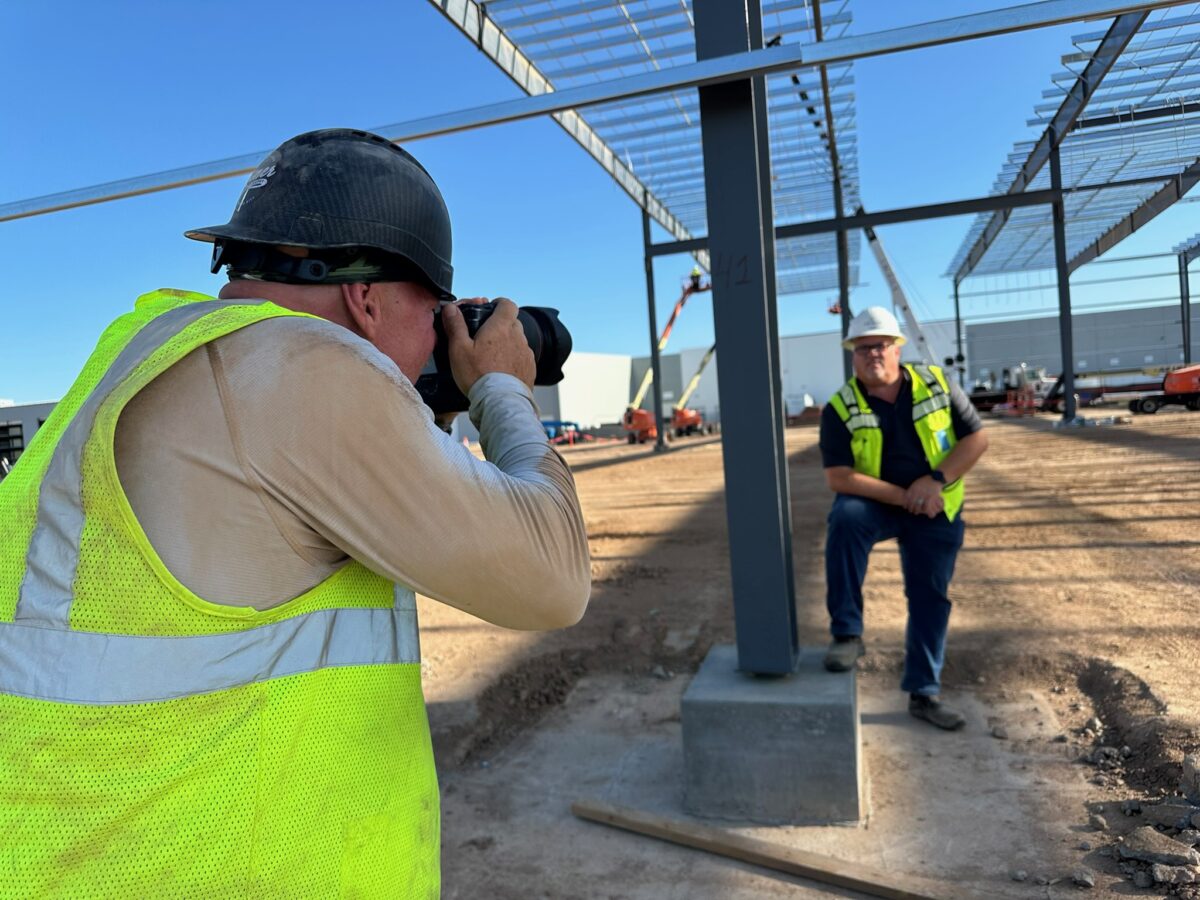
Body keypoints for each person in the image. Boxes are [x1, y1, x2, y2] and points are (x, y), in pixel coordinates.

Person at [0, 129, 591, 897]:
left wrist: (426, 414)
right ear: (367, 296)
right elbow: (553, 579)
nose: (438, 341)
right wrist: (503, 386)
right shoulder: (302, 366)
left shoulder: (147, 350)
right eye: (436, 312)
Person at [819, 307, 987, 731]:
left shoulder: (936, 383)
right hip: (882, 501)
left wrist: (934, 483)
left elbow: (977, 439)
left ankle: (924, 694)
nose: (871, 354)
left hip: (935, 504)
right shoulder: (840, 407)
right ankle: (847, 633)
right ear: (852, 357)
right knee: (845, 519)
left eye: (879, 345)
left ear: (897, 348)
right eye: (862, 349)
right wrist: (906, 495)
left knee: (930, 597)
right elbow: (839, 477)